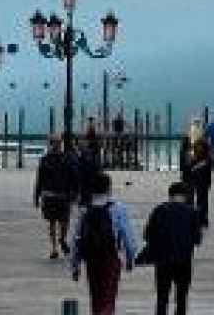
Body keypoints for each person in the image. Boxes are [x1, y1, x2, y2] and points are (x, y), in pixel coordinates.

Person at [70, 171, 138, 315]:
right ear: (109, 188)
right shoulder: (118, 208)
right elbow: (128, 237)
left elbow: (77, 238)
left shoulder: (85, 209)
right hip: (111, 258)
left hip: (91, 259)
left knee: (96, 297)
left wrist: (75, 265)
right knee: (108, 298)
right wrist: (130, 258)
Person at [140, 182, 200, 315]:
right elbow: (197, 239)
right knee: (182, 298)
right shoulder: (192, 212)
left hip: (163, 260)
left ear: (170, 195)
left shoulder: (159, 210)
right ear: (185, 196)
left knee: (162, 297)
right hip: (184, 261)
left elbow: (147, 235)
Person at [35, 135, 80, 260]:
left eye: (58, 143)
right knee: (53, 222)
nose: (56, 145)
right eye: (54, 143)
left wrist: (76, 192)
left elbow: (74, 176)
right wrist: (37, 195)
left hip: (62, 195)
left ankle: (61, 240)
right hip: (51, 195)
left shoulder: (67, 158)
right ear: (51, 144)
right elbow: (40, 179)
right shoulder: (46, 160)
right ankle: (54, 247)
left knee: (62, 222)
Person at [185, 138, 214, 229]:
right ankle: (197, 218)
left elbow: (188, 168)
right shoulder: (200, 158)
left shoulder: (205, 159)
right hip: (196, 181)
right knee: (195, 199)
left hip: (201, 181)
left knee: (201, 200)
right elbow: (187, 168)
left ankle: (200, 218)